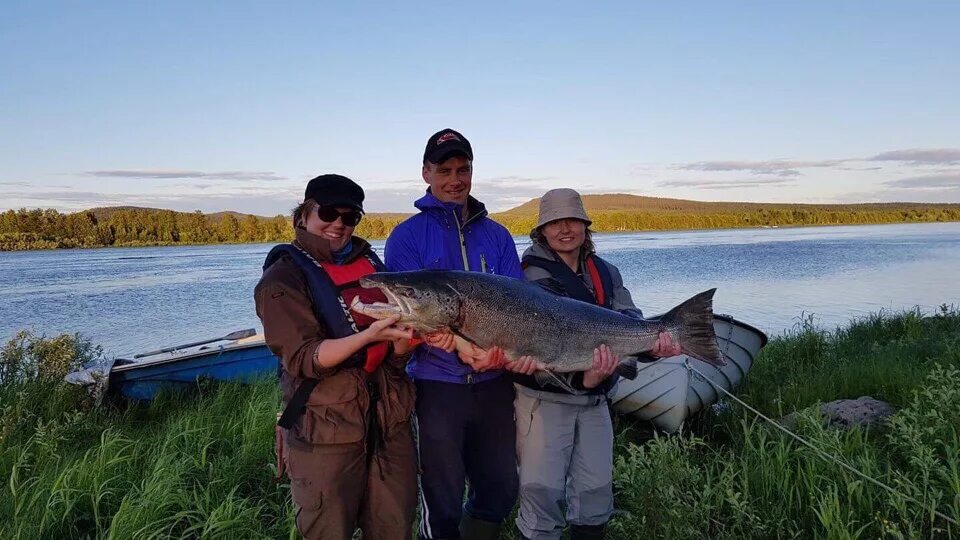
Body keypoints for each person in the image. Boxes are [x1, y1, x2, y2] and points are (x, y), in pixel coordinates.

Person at [506, 188, 681, 540]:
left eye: (573, 220)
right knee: (542, 494)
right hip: (543, 401)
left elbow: (629, 321)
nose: (565, 229)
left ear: (586, 226)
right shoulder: (522, 277)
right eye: (554, 223)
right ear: (541, 231)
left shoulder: (607, 272)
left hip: (597, 400)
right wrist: (585, 376)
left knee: (595, 494)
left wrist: (653, 347)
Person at [254, 174, 418, 540]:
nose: (338, 225)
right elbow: (304, 357)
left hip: (389, 422)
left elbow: (395, 356)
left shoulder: (373, 267)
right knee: (328, 530)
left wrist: (402, 345)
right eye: (328, 213)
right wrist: (368, 336)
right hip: (325, 428)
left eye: (350, 218)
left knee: (395, 525)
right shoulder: (282, 279)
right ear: (304, 215)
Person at [384, 128, 522, 540]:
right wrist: (446, 341)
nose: (455, 179)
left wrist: (504, 354)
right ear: (426, 173)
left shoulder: (496, 236)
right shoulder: (406, 237)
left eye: (463, 169)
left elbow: (519, 304)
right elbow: (407, 314)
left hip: (495, 383)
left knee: (499, 488)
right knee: (441, 499)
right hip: (437, 386)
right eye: (444, 170)